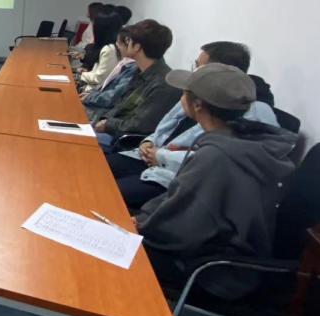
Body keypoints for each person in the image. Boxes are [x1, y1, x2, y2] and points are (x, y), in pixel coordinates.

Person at [135, 64, 296, 299]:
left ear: (198, 105)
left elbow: (181, 228)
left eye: (184, 94)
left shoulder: (216, 157)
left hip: (212, 267)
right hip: (221, 246)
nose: (181, 98)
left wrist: (141, 225)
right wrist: (144, 219)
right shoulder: (245, 139)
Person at [109, 41, 281, 207]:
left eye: (199, 67)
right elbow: (165, 126)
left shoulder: (243, 113)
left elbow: (208, 164)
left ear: (218, 72)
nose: (194, 71)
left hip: (176, 176)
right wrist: (149, 142)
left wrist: (161, 156)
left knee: (108, 194)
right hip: (151, 158)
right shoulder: (194, 91)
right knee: (100, 170)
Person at [93, 19, 178, 145]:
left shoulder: (163, 84)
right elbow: (120, 105)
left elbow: (140, 125)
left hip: (123, 141)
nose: (124, 43)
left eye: (128, 40)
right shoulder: (140, 71)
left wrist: (108, 124)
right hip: (112, 128)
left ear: (137, 47)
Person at [82, 28, 137, 120]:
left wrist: (89, 97)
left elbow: (112, 97)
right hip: (96, 101)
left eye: (119, 43)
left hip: (100, 112)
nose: (117, 46)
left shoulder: (132, 69)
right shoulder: (125, 63)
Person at [77, 8, 122, 92]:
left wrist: (81, 74)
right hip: (91, 88)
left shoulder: (109, 49)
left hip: (92, 92)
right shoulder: (110, 46)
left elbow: (99, 78)